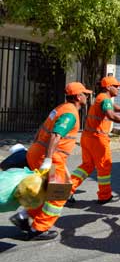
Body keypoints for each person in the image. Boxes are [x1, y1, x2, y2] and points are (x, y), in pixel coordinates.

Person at [9, 82, 92, 241]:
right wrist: (47, 159)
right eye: (85, 94)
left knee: (46, 191)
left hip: (38, 152)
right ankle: (38, 229)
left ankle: (23, 216)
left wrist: (37, 149)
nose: (87, 97)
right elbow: (55, 135)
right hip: (51, 157)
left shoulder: (60, 108)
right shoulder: (70, 113)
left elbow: (42, 128)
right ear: (77, 97)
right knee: (59, 194)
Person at [69, 76, 120, 205]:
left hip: (88, 137)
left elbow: (112, 107)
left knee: (87, 166)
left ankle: (67, 191)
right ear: (108, 87)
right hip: (98, 139)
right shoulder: (104, 99)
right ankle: (104, 195)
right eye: (116, 86)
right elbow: (111, 115)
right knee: (104, 167)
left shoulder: (102, 98)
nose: (118, 88)